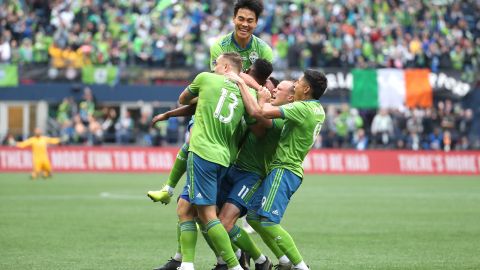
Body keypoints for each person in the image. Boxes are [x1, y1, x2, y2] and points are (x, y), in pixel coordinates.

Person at [236, 70, 328, 270]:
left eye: (298, 81)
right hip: (284, 169)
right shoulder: (317, 109)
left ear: (306, 89)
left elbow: (261, 113)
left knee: (268, 221)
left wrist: (259, 97)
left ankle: (301, 266)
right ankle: (285, 262)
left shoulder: (302, 108)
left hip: (284, 169)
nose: (295, 84)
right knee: (252, 216)